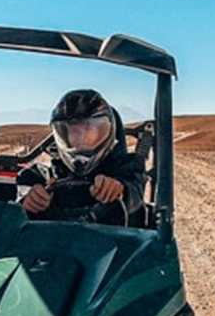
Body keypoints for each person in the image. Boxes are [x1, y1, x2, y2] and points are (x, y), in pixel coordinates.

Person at [17, 88, 146, 223]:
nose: (82, 138)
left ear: (106, 131)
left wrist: (120, 189)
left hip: (117, 242)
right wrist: (28, 199)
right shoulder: (49, 175)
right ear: (63, 135)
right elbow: (24, 187)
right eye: (75, 131)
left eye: (89, 129)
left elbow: (135, 187)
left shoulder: (126, 167)